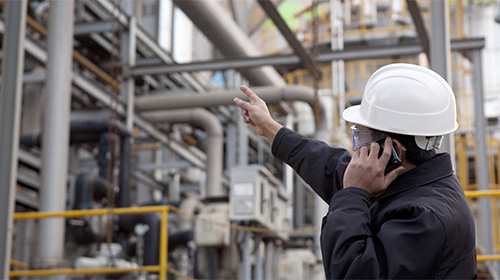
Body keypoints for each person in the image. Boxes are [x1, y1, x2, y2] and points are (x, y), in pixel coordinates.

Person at [233, 63, 476, 279]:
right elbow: (330, 166)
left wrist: (353, 193)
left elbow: (350, 271)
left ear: (394, 150)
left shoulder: (425, 217)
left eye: (362, 136)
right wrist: (271, 130)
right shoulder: (405, 181)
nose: (355, 146)